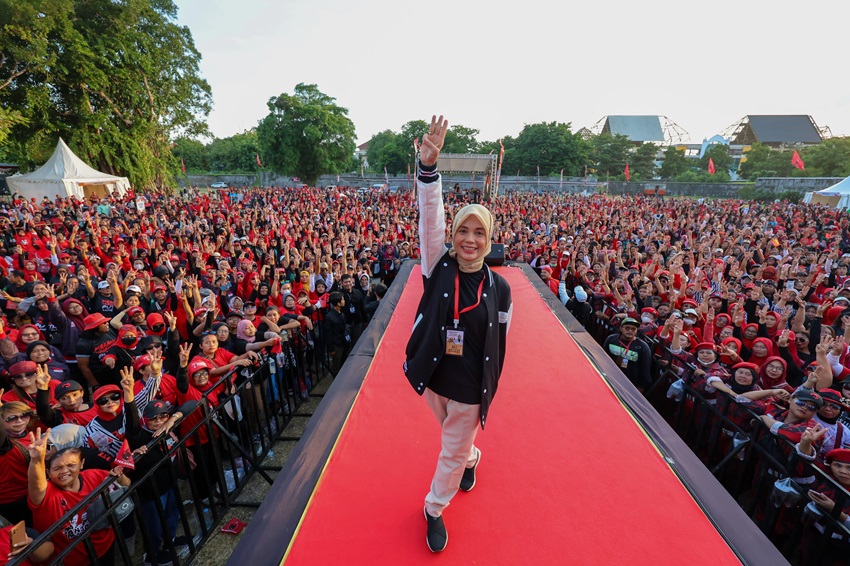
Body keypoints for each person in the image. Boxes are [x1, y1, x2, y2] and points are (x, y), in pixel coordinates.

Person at [403, 115, 512, 553]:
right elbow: (430, 216)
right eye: (463, 230)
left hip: (469, 384)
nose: (469, 239)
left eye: (478, 232)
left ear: (489, 240)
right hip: (433, 373)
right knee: (455, 441)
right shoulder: (437, 265)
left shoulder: (500, 289)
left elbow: (499, 346)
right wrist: (428, 171)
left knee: (448, 450)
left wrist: (489, 389)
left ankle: (433, 509)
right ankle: (471, 457)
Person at [27, 429, 130, 566]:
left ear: (81, 464)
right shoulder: (46, 495)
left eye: (71, 465)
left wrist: (120, 476)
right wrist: (36, 460)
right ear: (48, 472)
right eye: (57, 468)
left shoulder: (96, 475)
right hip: (73, 561)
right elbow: (36, 484)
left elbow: (127, 485)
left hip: (105, 546)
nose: (64, 471)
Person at [602, 317, 653, 391]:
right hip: (610, 378)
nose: (630, 331)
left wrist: (641, 388)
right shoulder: (611, 339)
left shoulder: (643, 347)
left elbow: (645, 369)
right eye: (627, 328)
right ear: (621, 328)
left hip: (630, 384)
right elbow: (603, 358)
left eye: (633, 329)